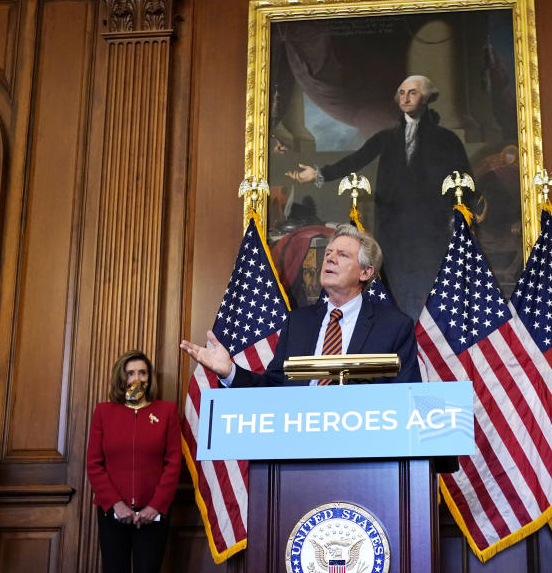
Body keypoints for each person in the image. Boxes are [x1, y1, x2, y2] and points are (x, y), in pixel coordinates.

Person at [287, 75, 471, 314]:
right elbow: (357, 159)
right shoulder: (388, 138)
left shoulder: (447, 140)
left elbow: (464, 180)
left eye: (413, 93)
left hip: (430, 230)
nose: (405, 98)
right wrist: (319, 173)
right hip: (393, 230)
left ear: (425, 99)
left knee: (429, 289)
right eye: (402, 93)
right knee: (396, 288)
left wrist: (460, 218)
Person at [180, 224, 421, 386]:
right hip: (300, 451)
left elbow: (407, 397)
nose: (329, 258)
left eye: (342, 255)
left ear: (366, 272)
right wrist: (229, 371)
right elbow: (274, 389)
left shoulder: (393, 327)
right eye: (328, 253)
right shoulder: (299, 323)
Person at [86, 350, 182, 573]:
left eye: (142, 372)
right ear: (122, 377)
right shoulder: (104, 412)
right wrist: (116, 504)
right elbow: (94, 463)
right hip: (112, 513)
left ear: (149, 378)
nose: (136, 378)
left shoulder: (166, 412)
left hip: (153, 515)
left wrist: (155, 506)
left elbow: (173, 463)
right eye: (130, 373)